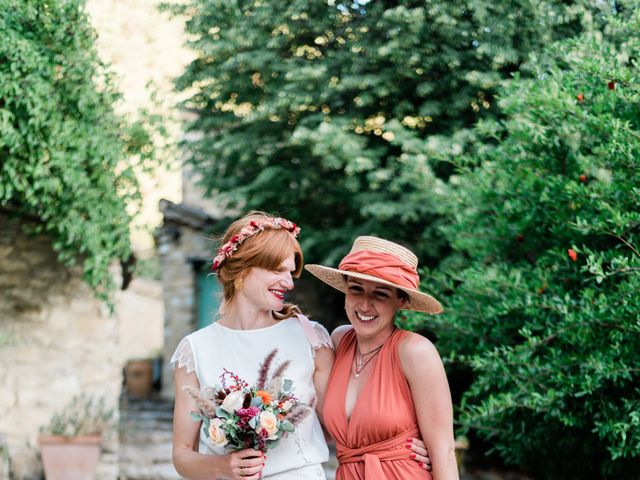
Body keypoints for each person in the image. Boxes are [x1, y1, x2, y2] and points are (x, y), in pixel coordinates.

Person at [170, 213, 432, 479]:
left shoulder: (311, 338)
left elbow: (342, 427)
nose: (290, 282)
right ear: (242, 269)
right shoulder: (194, 350)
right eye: (278, 270)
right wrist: (224, 466)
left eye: (290, 271)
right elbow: (181, 455)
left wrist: (399, 449)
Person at [305, 236, 459, 480]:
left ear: (401, 300)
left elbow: (444, 450)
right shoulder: (337, 341)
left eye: (380, 294)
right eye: (356, 288)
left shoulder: (415, 351)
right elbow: (318, 428)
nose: (365, 305)